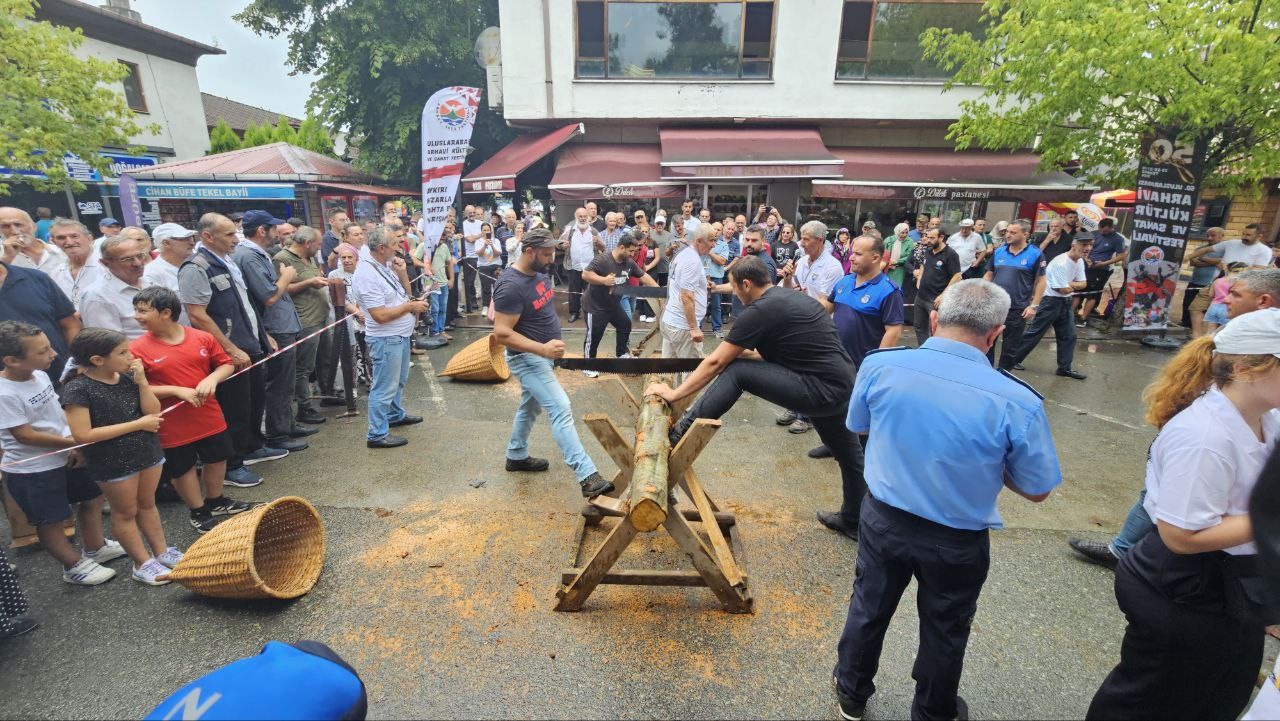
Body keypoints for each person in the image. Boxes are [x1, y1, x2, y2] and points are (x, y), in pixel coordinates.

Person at [833, 279, 1061, 721]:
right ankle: (933, 710)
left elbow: (859, 425)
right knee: (945, 628)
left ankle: (851, 692)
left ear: (934, 319)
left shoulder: (880, 366)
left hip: (883, 519)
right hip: (956, 538)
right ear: (996, 334)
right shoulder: (1017, 400)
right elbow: (1036, 489)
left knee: (868, 607)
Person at [1087, 309, 1279, 720]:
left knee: (1224, 687)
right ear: (1247, 368)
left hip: (1234, 577)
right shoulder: (1204, 437)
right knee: (1156, 695)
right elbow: (1181, 535)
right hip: (1183, 582)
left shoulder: (1268, 416)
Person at [645, 256, 867, 537]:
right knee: (850, 457)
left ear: (747, 284)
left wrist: (674, 394)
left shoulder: (759, 311)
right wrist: (736, 351)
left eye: (735, 288)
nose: (735, 293)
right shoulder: (790, 299)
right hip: (841, 383)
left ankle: (679, 434)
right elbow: (782, 351)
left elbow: (717, 363)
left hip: (820, 388)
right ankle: (854, 520)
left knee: (738, 371)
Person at [491, 228, 612, 498]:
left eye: (554, 253)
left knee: (529, 407)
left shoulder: (540, 273)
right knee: (560, 407)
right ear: (528, 251)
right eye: (546, 254)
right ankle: (587, 475)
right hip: (528, 358)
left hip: (543, 357)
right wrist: (543, 349)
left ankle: (516, 455)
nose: (551, 259)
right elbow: (501, 333)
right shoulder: (510, 286)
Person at [0, 321, 124, 585]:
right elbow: (25, 435)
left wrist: (72, 443)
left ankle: (96, 547)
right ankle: (72, 565)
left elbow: (55, 413)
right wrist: (71, 443)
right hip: (33, 469)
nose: (53, 353)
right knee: (51, 520)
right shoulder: (4, 393)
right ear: (11, 360)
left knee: (91, 497)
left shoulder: (40, 375)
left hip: (66, 452)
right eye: (42, 351)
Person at [61, 327, 181, 586]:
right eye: (123, 352)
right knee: (125, 512)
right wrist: (137, 424)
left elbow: (152, 410)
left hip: (147, 451)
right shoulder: (78, 389)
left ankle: (161, 551)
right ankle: (141, 562)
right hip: (112, 460)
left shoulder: (127, 378)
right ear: (97, 360)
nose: (131, 357)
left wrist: (142, 382)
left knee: (147, 504)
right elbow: (83, 434)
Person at [130, 286, 251, 534]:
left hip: (208, 413)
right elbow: (136, 388)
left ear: (165, 313)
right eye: (136, 310)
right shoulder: (136, 349)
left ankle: (216, 500)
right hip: (172, 423)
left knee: (218, 458)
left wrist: (212, 379)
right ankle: (198, 510)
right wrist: (176, 390)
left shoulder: (201, 337)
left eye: (143, 311)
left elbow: (225, 364)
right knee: (182, 468)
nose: (136, 316)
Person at [180, 213, 280, 489]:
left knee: (252, 401)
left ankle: (252, 447)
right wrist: (230, 349)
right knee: (233, 409)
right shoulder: (196, 267)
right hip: (228, 351)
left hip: (250, 344)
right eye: (228, 235)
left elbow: (244, 306)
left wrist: (263, 335)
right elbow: (197, 315)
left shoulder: (227, 261)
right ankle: (231, 466)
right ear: (207, 236)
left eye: (235, 233)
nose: (236, 239)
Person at [807, 234, 904, 468]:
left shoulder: (888, 290)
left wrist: (876, 366)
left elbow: (893, 330)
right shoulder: (844, 282)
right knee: (831, 407)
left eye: (858, 253)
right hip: (835, 361)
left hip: (863, 365)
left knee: (860, 411)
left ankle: (858, 456)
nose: (852, 257)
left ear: (876, 257)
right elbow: (826, 307)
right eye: (852, 252)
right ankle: (833, 445)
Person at [234, 212, 311, 454]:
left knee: (286, 381)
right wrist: (286, 277)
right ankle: (278, 433)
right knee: (279, 382)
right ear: (261, 230)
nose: (277, 233)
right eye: (273, 228)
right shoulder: (248, 256)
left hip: (283, 325)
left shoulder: (256, 254)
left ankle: (286, 425)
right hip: (275, 328)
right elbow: (269, 296)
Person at [349, 226, 425, 449]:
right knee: (383, 387)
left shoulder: (383, 266)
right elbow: (380, 315)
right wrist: (411, 306)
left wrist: (402, 276)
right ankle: (376, 434)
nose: (399, 246)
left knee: (397, 382)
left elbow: (402, 296)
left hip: (399, 335)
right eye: (394, 243)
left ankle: (394, 415)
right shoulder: (367, 274)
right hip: (386, 338)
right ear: (381, 248)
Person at [777, 220, 846, 434]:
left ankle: (806, 417)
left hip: (819, 327)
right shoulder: (803, 261)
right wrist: (788, 278)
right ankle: (794, 406)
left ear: (820, 240)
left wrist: (802, 302)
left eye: (806, 239)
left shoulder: (832, 267)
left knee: (810, 372)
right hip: (799, 323)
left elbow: (828, 305)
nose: (801, 243)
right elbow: (790, 290)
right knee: (794, 368)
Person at [1009, 235, 1092, 379]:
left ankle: (1064, 368)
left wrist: (1070, 284)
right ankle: (1012, 359)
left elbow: (1083, 284)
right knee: (1034, 332)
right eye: (1084, 245)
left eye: (1090, 245)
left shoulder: (1079, 262)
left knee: (1069, 336)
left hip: (1066, 302)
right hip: (1051, 301)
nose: (1088, 248)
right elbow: (1061, 289)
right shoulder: (1061, 262)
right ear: (1074, 245)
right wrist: (1072, 285)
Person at [274, 226, 332, 427]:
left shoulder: (310, 257)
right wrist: (308, 283)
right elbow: (279, 290)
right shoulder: (283, 259)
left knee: (325, 359)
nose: (320, 247)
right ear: (307, 243)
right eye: (318, 244)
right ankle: (304, 407)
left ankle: (328, 393)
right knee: (304, 367)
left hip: (322, 316)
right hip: (305, 321)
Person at [580, 232, 658, 377]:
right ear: (622, 247)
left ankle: (621, 354)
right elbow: (585, 274)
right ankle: (588, 365)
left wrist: (659, 291)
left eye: (635, 251)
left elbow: (644, 276)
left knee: (625, 324)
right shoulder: (603, 259)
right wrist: (603, 280)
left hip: (613, 305)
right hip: (595, 306)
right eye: (631, 251)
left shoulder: (629, 263)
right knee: (594, 336)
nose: (634, 254)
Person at [0, 249, 81, 388]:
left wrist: (76, 362)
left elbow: (71, 324)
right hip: (9, 390)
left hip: (63, 379)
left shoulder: (35, 278)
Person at [982, 219, 1046, 370]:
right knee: (987, 344)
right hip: (995, 306)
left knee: (1010, 349)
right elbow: (988, 275)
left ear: (1025, 234)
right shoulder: (999, 252)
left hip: (1017, 309)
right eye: (1007, 232)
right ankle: (986, 373)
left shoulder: (1035, 254)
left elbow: (1042, 281)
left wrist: (1034, 306)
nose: (1008, 235)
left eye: (1013, 232)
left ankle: (1004, 377)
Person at [77, 235, 151, 339]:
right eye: (127, 259)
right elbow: (109, 344)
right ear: (106, 263)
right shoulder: (97, 296)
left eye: (140, 256)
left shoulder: (150, 281)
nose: (138, 263)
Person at [662, 225, 715, 361]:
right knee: (692, 372)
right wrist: (693, 328)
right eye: (711, 240)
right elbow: (686, 296)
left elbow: (682, 284)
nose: (713, 245)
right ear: (698, 241)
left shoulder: (685, 254)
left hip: (673, 322)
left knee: (667, 370)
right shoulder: (691, 260)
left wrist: (702, 285)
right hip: (683, 327)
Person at [906, 227, 961, 345]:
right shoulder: (928, 250)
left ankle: (935, 352)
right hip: (921, 296)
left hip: (935, 299)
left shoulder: (950, 254)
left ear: (941, 237)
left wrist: (943, 295)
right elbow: (923, 265)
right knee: (919, 326)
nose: (929, 240)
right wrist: (919, 278)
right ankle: (924, 350)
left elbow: (957, 276)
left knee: (935, 329)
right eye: (928, 237)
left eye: (932, 238)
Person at [558, 208, 604, 323]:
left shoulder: (593, 231)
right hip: (574, 266)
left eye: (585, 216)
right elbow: (558, 244)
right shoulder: (570, 230)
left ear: (588, 217)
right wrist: (562, 246)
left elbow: (603, 247)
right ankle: (574, 313)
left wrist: (598, 242)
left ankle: (591, 313)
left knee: (591, 292)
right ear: (576, 217)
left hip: (589, 268)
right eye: (580, 216)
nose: (583, 218)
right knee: (574, 292)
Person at [1077, 217, 1127, 324]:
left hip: (1102, 269)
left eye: (1105, 231)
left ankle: (1083, 318)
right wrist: (1086, 259)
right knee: (1078, 291)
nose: (1102, 232)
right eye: (1100, 229)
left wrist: (1105, 263)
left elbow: (1121, 256)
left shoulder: (1118, 239)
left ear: (1111, 228)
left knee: (1093, 294)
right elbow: (1081, 248)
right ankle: (1072, 314)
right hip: (1084, 266)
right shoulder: (1094, 234)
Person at [45, 219, 103, 306]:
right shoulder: (56, 273)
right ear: (53, 242)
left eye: (74, 236)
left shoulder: (108, 266)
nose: (69, 242)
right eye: (61, 238)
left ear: (89, 238)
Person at [1, 207, 67, 277]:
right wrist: (7, 258)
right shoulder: (3, 256)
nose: (15, 232)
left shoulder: (61, 252)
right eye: (5, 226)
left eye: (18, 224)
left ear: (34, 226)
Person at [1185, 228, 1225, 334]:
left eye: (1213, 236)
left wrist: (1202, 258)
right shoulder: (1201, 248)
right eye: (1208, 235)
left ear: (1222, 236)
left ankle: (1203, 331)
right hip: (1194, 281)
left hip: (1209, 285)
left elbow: (1222, 263)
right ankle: (1186, 325)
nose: (1209, 238)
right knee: (1188, 305)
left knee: (1204, 309)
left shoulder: (1224, 250)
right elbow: (1193, 262)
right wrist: (1212, 262)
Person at [1186, 222, 1273, 268]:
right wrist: (1188, 257)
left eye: (1248, 235)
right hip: (1220, 280)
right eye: (1243, 234)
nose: (1243, 237)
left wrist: (1230, 268)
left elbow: (1257, 270)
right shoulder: (1231, 243)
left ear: (1259, 236)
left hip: (1240, 286)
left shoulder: (1265, 251)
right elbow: (1206, 249)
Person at [475, 221, 503, 311]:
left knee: (497, 286)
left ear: (491, 231)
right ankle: (485, 306)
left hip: (496, 265)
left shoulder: (496, 241)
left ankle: (498, 305)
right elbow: (479, 254)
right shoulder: (478, 241)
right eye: (484, 230)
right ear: (481, 231)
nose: (486, 231)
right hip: (483, 266)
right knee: (485, 287)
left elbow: (498, 254)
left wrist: (492, 245)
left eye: (488, 230)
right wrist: (484, 245)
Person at [460, 205, 483, 312]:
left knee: (484, 281)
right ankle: (472, 301)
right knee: (470, 282)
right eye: (470, 213)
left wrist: (479, 235)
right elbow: (470, 239)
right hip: (470, 257)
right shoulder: (463, 225)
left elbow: (487, 233)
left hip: (482, 255)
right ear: (465, 214)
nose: (473, 214)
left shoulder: (480, 223)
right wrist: (481, 234)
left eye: (474, 212)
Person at [882, 222, 915, 291]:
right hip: (887, 267)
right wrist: (888, 261)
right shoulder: (889, 240)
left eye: (906, 233)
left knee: (896, 288)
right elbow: (882, 252)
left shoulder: (910, 242)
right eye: (902, 232)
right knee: (885, 286)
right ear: (897, 231)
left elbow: (909, 256)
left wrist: (897, 261)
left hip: (900, 269)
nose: (904, 235)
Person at [321, 207, 350, 272]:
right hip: (335, 277)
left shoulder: (348, 235)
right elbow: (331, 264)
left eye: (346, 220)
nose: (346, 223)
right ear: (331, 222)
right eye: (342, 220)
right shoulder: (326, 239)